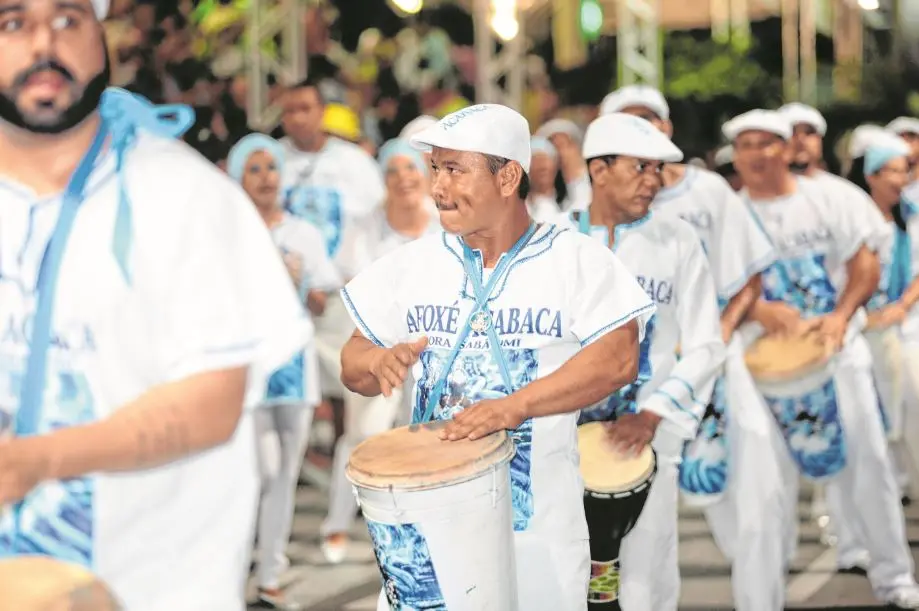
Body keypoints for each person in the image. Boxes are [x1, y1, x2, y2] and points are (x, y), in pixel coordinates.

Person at [0, 1, 310, 610]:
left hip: (154, 585)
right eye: (13, 22)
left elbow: (211, 402)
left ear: (102, 37)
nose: (44, 44)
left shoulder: (182, 193)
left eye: (67, 20)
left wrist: (34, 462)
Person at [338, 103, 656, 610]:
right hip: (427, 524)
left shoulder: (574, 259)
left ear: (508, 177)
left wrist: (516, 406)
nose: (438, 187)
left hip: (539, 534)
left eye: (454, 170)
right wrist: (377, 363)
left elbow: (618, 358)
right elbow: (352, 359)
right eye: (435, 169)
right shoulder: (415, 263)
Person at [725, 109, 919, 609]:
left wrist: (839, 316)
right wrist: (760, 309)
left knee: (868, 464)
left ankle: (895, 578)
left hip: (838, 357)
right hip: (764, 371)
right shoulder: (728, 213)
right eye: (744, 144)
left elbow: (867, 266)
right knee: (765, 487)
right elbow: (717, 287)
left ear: (786, 149)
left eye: (765, 143)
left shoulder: (832, 198)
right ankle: (761, 598)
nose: (754, 154)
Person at [600, 85, 780, 611]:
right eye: (628, 122)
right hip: (640, 387)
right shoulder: (588, 214)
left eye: (649, 120)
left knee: (752, 502)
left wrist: (712, 341)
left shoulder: (708, 192)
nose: (642, 131)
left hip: (714, 367)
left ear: (667, 127)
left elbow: (748, 278)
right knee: (642, 532)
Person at [571, 112, 725, 610]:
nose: (654, 181)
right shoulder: (554, 238)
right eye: (640, 168)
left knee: (646, 576)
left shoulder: (676, 241)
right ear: (598, 170)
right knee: (565, 572)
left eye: (658, 170)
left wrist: (653, 414)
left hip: (649, 438)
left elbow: (706, 344)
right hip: (562, 444)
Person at [226, 134, 341, 610]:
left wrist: (301, 281)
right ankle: (233, 572)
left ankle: (270, 574)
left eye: (271, 168)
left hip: (293, 370)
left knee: (283, 474)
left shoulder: (303, 233)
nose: (266, 177)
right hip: (244, 371)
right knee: (256, 471)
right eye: (254, 169)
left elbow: (321, 302)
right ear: (238, 177)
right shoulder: (225, 231)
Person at [319, 138, 440, 563]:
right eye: (393, 170)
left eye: (411, 168)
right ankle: (336, 524)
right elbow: (351, 283)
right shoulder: (366, 225)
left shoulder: (443, 223)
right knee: (362, 436)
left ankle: (410, 527)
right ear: (383, 179)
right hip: (376, 345)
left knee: (419, 434)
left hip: (430, 348)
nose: (404, 178)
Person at [279, 76, 385, 450]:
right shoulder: (272, 161)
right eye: (289, 110)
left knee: (349, 386)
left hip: (343, 293)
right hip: (287, 296)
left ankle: (347, 465)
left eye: (305, 109)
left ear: (322, 112)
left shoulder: (353, 163)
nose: (297, 118)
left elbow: (374, 224)